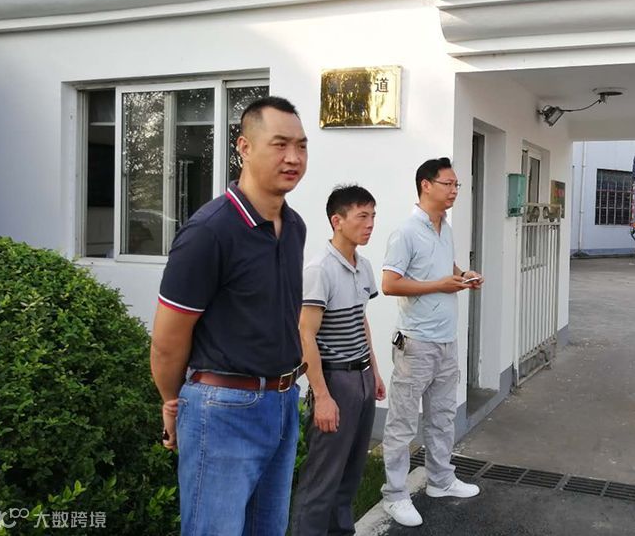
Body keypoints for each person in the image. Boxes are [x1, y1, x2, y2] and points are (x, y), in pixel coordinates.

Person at [150, 95, 309, 535]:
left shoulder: (294, 227)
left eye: (301, 146)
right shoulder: (209, 231)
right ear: (244, 147)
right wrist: (172, 401)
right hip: (222, 410)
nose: (293, 157)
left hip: (282, 402)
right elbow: (167, 341)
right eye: (280, 144)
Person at [380, 157, 483, 527]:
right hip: (416, 343)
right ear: (426, 185)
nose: (454, 191)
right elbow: (389, 284)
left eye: (457, 185)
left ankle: (440, 479)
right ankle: (395, 495)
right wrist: (440, 285)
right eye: (448, 184)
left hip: (446, 340)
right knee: (402, 423)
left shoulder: (445, 227)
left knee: (442, 417)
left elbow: (445, 268)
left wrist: (463, 275)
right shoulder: (405, 232)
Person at [291, 185, 387, 536]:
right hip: (334, 381)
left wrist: (374, 372)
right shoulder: (320, 269)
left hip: (361, 378)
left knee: (350, 473)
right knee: (323, 477)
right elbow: (306, 335)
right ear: (337, 221)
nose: (370, 224)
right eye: (362, 216)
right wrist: (322, 396)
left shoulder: (364, 267)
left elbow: (360, 321)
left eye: (373, 216)